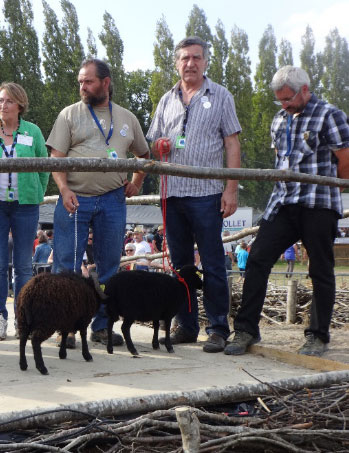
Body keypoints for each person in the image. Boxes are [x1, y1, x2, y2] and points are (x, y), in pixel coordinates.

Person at [225, 66, 349, 357]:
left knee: (320, 268)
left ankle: (317, 336)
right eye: (279, 100)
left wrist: (331, 190)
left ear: (305, 89)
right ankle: (246, 329)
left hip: (318, 203)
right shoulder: (279, 119)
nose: (284, 104)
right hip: (282, 202)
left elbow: (346, 162)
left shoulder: (331, 115)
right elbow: (281, 159)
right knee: (257, 258)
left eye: (288, 98)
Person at [146, 36, 242, 353]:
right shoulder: (165, 100)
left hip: (206, 194)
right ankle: (185, 326)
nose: (190, 63)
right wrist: (158, 146)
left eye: (196, 57)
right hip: (172, 195)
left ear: (205, 62)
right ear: (177, 63)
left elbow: (232, 144)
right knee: (182, 266)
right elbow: (151, 143)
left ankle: (217, 329)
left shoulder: (222, 96)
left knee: (213, 263)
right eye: (185, 58)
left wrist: (231, 189)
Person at [47, 58, 149, 347]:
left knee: (108, 268)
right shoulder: (69, 115)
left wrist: (137, 182)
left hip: (113, 200)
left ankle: (102, 326)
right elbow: (56, 157)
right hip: (74, 198)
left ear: (106, 83)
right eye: (80, 81)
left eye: (88, 81)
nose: (82, 86)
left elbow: (144, 155)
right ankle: (65, 326)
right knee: (66, 265)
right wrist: (64, 188)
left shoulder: (127, 118)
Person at [0, 82, 49, 341]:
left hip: (25, 205)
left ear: (20, 105)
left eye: (7, 101)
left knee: (24, 266)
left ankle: (22, 317)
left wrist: (37, 191)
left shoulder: (33, 132)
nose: (2, 105)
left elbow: (44, 165)